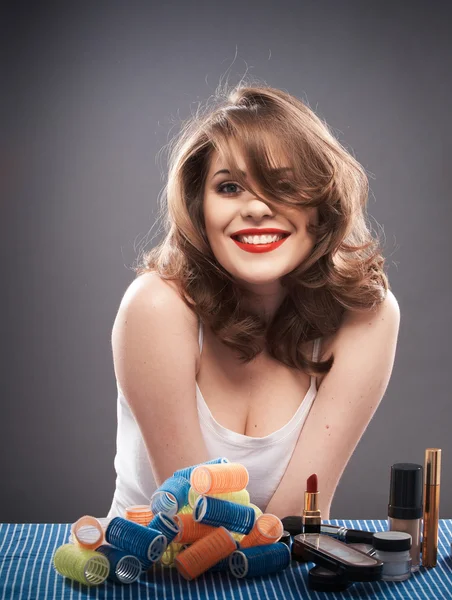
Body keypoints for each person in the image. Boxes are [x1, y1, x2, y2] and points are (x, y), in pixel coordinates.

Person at [106, 83, 400, 520]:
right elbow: (194, 520)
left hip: (271, 568)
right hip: (150, 573)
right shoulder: (155, 307)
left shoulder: (366, 318)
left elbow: (293, 521)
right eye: (229, 188)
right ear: (198, 206)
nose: (258, 208)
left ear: (321, 207)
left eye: (283, 185)